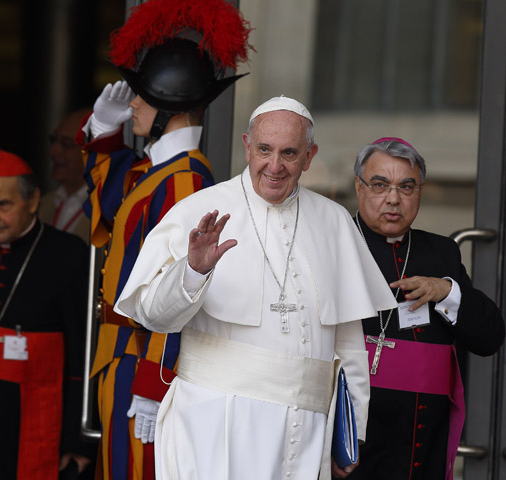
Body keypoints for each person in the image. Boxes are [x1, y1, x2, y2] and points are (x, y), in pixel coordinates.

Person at [115, 96, 399, 479]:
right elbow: (153, 316)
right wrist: (192, 272)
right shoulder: (200, 210)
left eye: (289, 153)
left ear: (309, 156)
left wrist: (351, 435)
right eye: (264, 149)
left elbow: (348, 346)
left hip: (308, 431)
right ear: (247, 146)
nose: (275, 166)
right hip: (215, 423)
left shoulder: (333, 221)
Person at [80, 0, 252, 477]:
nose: (131, 104)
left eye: (141, 96)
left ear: (167, 108)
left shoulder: (185, 182)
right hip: (122, 355)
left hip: (141, 362)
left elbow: (181, 291)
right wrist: (103, 130)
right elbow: (111, 199)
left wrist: (155, 382)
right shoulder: (159, 171)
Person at [348, 138, 505, 480]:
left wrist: (446, 290)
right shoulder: (336, 244)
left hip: (423, 448)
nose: (393, 198)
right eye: (379, 185)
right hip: (353, 453)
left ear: (420, 192)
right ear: (358, 188)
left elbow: (490, 337)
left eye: (407, 186)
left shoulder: (442, 252)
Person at [0, 149, 92, 480]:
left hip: (31, 418)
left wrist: (77, 440)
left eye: (3, 206)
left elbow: (82, 352)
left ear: (33, 200)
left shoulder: (67, 254)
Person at [38, 108, 92, 244]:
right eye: (53, 140)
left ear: (93, 151)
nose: (53, 151)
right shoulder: (40, 205)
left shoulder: (108, 212)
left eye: (66, 144)